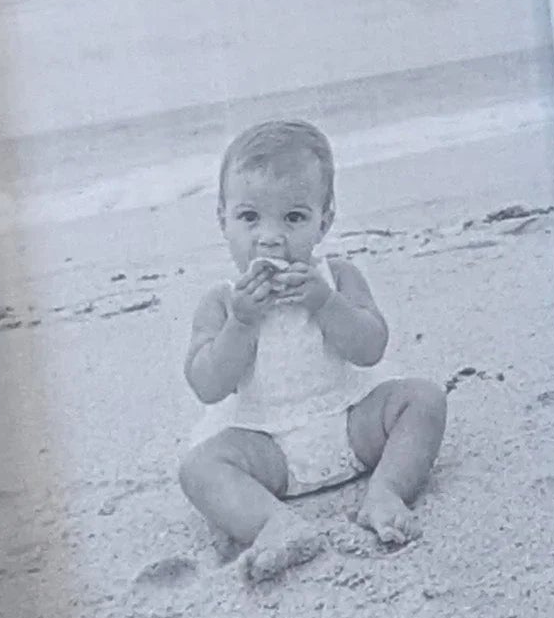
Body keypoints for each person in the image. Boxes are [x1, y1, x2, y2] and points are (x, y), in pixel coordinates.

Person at [177, 117, 445, 580]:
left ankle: (386, 491)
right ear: (222, 220)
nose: (270, 237)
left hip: (351, 423)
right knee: (199, 469)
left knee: (424, 399)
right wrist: (241, 323)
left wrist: (325, 303)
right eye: (249, 217)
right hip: (267, 447)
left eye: (294, 217)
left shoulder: (337, 277)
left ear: (325, 220)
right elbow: (208, 385)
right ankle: (273, 523)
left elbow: (370, 349)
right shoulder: (222, 301)